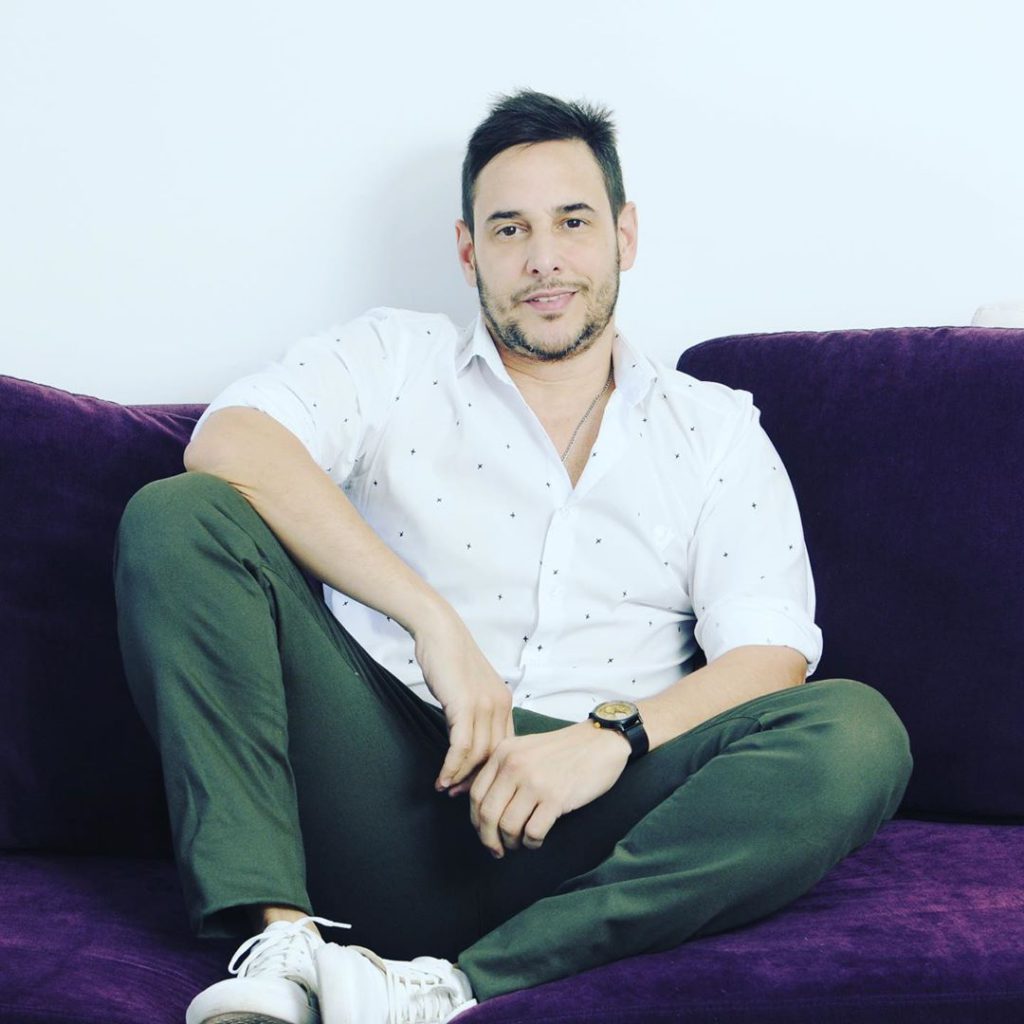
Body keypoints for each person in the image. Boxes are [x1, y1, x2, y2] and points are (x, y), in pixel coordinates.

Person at [113, 90, 912, 1024]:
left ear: (624, 234)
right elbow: (232, 442)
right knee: (179, 516)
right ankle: (283, 947)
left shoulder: (715, 429)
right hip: (382, 778)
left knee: (859, 731)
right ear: (468, 251)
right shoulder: (396, 358)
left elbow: (770, 655)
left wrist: (610, 740)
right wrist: (432, 622)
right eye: (509, 229)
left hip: (598, 821)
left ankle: (451, 989)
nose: (543, 259)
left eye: (573, 222)